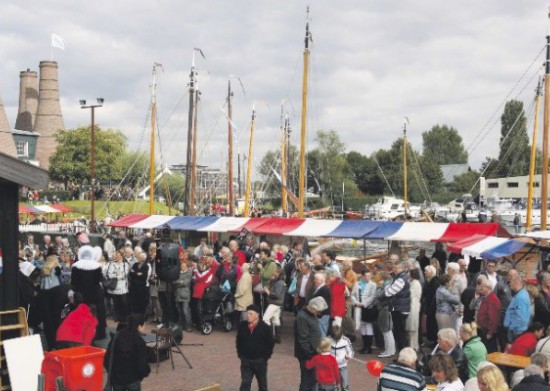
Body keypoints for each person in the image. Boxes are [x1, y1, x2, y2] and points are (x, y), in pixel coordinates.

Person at [104, 314, 151, 391]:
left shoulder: (116, 337)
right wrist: (143, 373)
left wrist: (113, 374)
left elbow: (107, 359)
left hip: (116, 380)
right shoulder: (139, 341)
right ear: (139, 326)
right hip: (132, 380)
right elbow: (141, 365)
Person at [236, 304, 274, 391]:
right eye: (247, 313)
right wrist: (240, 355)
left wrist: (265, 357)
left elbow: (270, 343)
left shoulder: (265, 327)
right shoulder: (242, 326)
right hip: (246, 360)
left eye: (251, 314)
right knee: (245, 383)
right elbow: (239, 341)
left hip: (259, 361)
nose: (248, 316)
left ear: (257, 315)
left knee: (262, 384)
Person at [70, 245, 106, 340]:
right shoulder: (97, 266)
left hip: (81, 292)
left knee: (80, 312)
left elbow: (73, 282)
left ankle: (79, 332)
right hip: (95, 292)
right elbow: (98, 280)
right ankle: (99, 332)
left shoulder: (75, 266)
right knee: (98, 312)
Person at [295, 296, 329, 391]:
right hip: (307, 356)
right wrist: (310, 355)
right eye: (318, 311)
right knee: (307, 381)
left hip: (313, 353)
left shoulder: (310, 314)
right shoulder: (302, 317)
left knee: (312, 380)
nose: (319, 313)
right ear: (313, 308)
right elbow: (303, 339)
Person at [384, 260, 411, 353]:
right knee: (401, 332)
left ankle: (402, 353)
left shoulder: (401, 279)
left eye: (396, 268)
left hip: (399, 308)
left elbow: (388, 293)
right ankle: (403, 352)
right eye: (394, 267)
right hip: (402, 307)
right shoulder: (405, 277)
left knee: (399, 333)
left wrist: (386, 286)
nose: (394, 269)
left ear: (402, 268)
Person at [351, 270, 377, 354]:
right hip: (358, 307)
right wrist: (356, 302)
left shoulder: (373, 284)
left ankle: (369, 347)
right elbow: (352, 295)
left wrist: (364, 304)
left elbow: (373, 296)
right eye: (366, 276)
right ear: (362, 276)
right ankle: (364, 346)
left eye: (369, 276)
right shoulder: (357, 284)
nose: (368, 278)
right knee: (361, 326)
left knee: (368, 326)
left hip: (368, 308)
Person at [475, 277, 502, 353]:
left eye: (482, 286)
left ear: (488, 288)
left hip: (487, 331)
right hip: (483, 330)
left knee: (489, 351)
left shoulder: (493, 300)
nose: (480, 288)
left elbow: (494, 318)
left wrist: (490, 332)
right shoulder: (487, 298)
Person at [104, 249, 131, 323]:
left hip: (123, 287)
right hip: (115, 287)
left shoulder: (125, 265)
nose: (117, 256)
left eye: (119, 255)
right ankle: (117, 317)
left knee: (123, 302)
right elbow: (109, 274)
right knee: (116, 303)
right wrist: (118, 275)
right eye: (116, 255)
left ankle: (124, 317)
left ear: (122, 256)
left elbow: (125, 274)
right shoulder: (111, 264)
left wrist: (117, 275)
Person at [262, 265, 286, 343]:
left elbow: (276, 294)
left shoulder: (279, 283)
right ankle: (277, 338)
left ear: (278, 273)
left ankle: (269, 336)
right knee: (276, 320)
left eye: (275, 271)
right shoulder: (278, 281)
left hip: (274, 303)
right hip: (277, 304)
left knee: (266, 318)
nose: (273, 272)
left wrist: (268, 292)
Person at [505, 275, 531, 343]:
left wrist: (512, 327)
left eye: (511, 282)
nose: (509, 284)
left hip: (517, 331)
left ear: (516, 283)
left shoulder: (520, 297)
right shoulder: (521, 294)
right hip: (517, 329)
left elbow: (520, 317)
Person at [376, 271, 396, 358]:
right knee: (388, 331)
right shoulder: (390, 283)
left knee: (386, 331)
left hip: (385, 308)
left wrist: (379, 287)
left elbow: (380, 295)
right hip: (387, 307)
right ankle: (391, 350)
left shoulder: (386, 285)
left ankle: (388, 351)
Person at [329, 325, 353, 391]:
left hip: (343, 365)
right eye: (335, 339)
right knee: (333, 383)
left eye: (338, 339)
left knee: (345, 382)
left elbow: (350, 351)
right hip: (332, 365)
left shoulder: (346, 340)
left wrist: (349, 356)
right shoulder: (328, 339)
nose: (336, 340)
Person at [173, 260, 192, 332]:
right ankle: (181, 325)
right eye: (181, 266)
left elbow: (186, 283)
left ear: (187, 267)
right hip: (178, 294)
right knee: (180, 311)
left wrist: (179, 282)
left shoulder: (188, 273)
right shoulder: (178, 273)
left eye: (184, 266)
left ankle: (188, 326)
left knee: (185, 311)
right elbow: (173, 281)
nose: (182, 267)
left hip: (185, 295)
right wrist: (180, 282)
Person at [424, 265, 441, 344]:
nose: (425, 273)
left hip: (433, 307)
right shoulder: (430, 280)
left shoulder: (435, 282)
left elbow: (434, 296)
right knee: (431, 324)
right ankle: (433, 340)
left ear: (431, 272)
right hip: (430, 306)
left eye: (426, 271)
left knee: (434, 325)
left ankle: (435, 341)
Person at [312, 271, 332, 337]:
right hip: (320, 314)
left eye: (316, 279)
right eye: (315, 279)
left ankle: (323, 346)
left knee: (322, 331)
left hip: (323, 314)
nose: (315, 281)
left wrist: (318, 312)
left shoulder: (324, 289)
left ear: (321, 280)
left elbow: (325, 303)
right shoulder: (319, 288)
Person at [407, 268, 422, 350]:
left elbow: (410, 294)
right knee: (412, 327)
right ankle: (413, 344)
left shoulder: (415, 283)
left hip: (413, 306)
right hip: (412, 306)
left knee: (413, 327)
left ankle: (413, 345)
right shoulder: (412, 282)